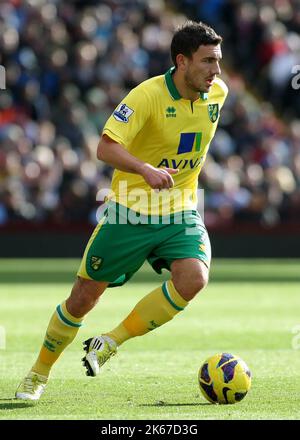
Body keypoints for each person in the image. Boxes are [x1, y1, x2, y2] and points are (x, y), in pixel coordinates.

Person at [16, 20, 227, 401]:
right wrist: (145, 169)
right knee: (82, 298)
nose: (216, 71)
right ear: (181, 61)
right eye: (208, 61)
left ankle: (111, 341)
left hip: (179, 211)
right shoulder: (145, 96)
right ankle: (38, 373)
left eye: (219, 61)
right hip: (130, 212)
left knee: (193, 279)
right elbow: (105, 148)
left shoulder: (218, 93)